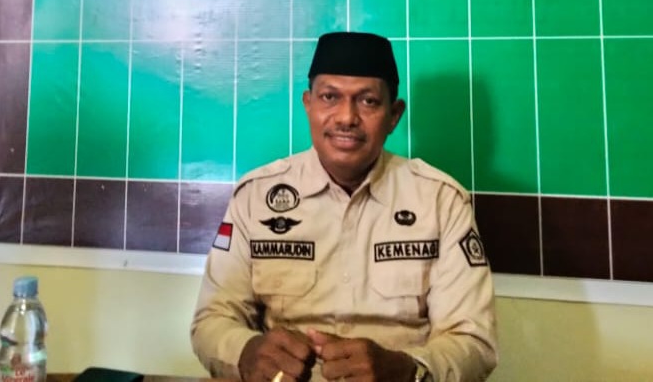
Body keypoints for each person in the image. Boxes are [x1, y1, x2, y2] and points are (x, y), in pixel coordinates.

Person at [190, 31, 497, 382]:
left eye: (368, 101)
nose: (347, 117)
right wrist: (246, 352)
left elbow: (474, 339)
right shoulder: (255, 197)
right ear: (308, 104)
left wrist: (408, 370)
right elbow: (212, 320)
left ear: (394, 115)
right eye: (329, 97)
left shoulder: (441, 201)